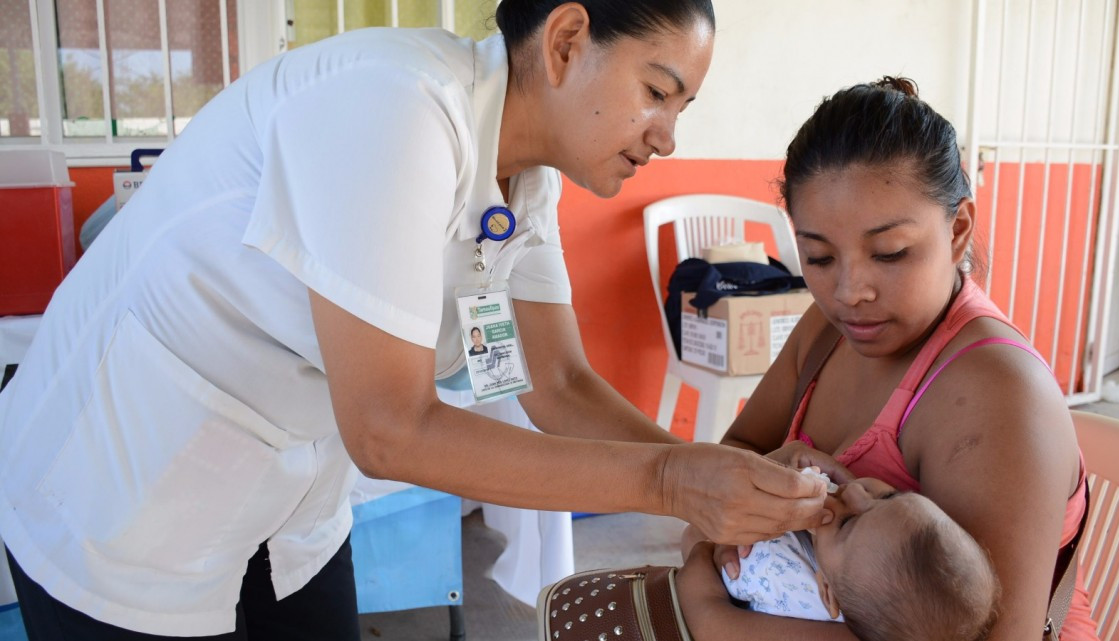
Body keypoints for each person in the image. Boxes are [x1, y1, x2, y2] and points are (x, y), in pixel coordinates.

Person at [0, 1, 834, 639]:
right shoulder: (395, 105)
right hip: (125, 490)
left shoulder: (526, 182)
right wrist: (669, 484)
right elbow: (391, 429)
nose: (669, 138)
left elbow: (558, 380)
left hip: (287, 490)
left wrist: (713, 480)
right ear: (568, 40)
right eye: (658, 92)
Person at [675, 77, 1096, 641]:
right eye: (819, 256)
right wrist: (772, 472)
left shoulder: (996, 394)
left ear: (958, 229)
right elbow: (738, 455)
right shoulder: (827, 330)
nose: (850, 291)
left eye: (890, 253)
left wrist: (712, 617)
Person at [699, 477, 999, 641]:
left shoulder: (774, 564)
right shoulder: (867, 602)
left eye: (847, 523)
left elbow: (697, 540)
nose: (854, 490)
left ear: (828, 593)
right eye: (889, 497)